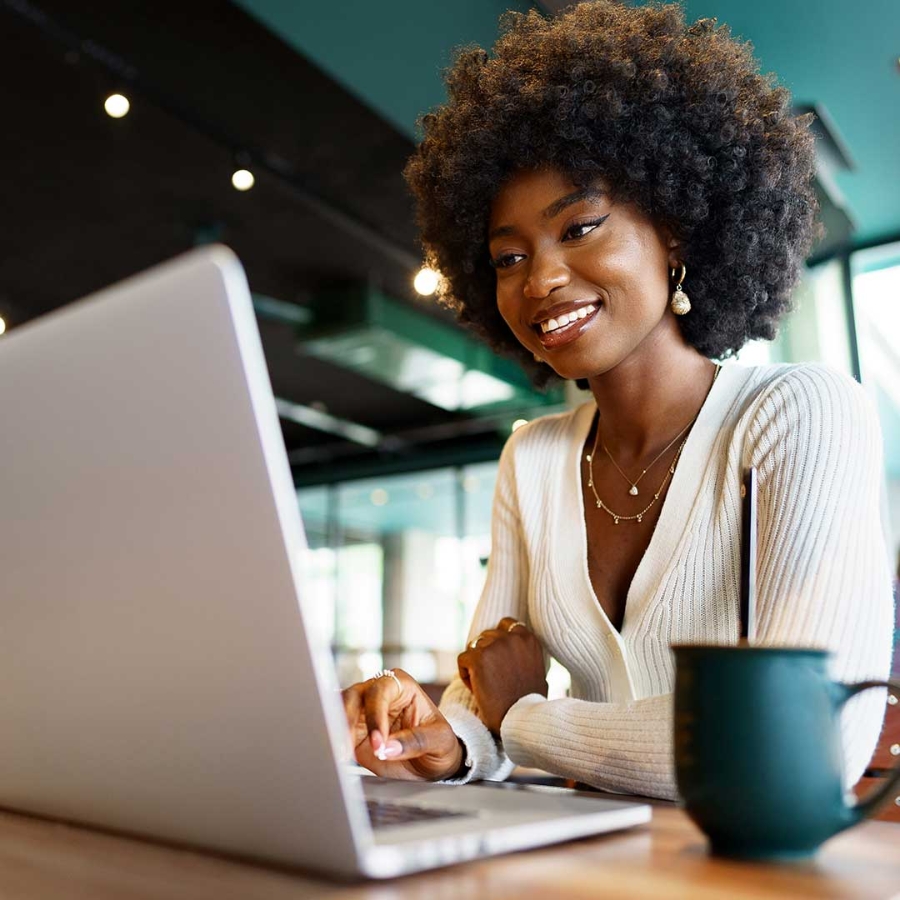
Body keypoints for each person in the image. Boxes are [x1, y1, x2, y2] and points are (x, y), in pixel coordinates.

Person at [342, 0, 894, 799]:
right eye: (506, 257)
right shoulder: (532, 457)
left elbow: (800, 750)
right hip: (585, 865)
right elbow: (483, 699)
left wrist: (527, 719)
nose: (539, 280)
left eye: (581, 227)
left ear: (675, 228)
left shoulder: (799, 413)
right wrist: (442, 737)